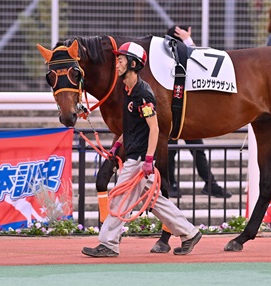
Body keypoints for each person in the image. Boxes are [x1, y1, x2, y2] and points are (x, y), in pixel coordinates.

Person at [82, 42, 202, 257]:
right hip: (134, 155)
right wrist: (117, 146)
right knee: (155, 201)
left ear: (133, 63)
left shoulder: (143, 94)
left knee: (118, 199)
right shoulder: (127, 90)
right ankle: (190, 233)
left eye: (121, 60)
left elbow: (154, 128)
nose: (116, 64)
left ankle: (108, 244)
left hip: (138, 159)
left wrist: (148, 160)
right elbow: (128, 127)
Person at [165, 25, 232, 199]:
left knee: (197, 149)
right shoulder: (168, 55)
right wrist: (188, 41)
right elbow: (196, 58)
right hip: (173, 113)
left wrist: (187, 40)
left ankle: (210, 184)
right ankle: (170, 183)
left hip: (187, 114)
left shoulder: (179, 54)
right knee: (170, 150)